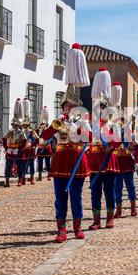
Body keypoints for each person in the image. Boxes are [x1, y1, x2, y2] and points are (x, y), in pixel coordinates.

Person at [41, 43, 91, 243]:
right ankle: (61, 229)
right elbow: (45, 135)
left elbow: (88, 138)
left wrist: (76, 124)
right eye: (65, 106)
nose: (68, 108)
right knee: (60, 198)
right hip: (61, 161)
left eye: (70, 106)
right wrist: (57, 124)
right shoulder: (58, 121)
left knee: (76, 196)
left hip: (78, 162)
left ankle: (77, 227)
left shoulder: (83, 121)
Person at [88, 68, 120, 230]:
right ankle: (96, 220)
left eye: (101, 107)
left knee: (109, 191)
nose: (99, 109)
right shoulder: (91, 125)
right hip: (94, 162)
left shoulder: (111, 123)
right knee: (95, 194)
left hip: (108, 161)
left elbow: (118, 139)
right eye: (97, 107)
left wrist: (110, 148)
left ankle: (110, 219)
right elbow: (86, 140)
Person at [112, 84, 138, 219]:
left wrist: (137, 161)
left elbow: (135, 147)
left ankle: (133, 207)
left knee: (130, 186)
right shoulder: (112, 132)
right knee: (117, 188)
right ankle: (119, 209)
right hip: (116, 163)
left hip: (127, 162)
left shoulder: (129, 133)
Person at [2, 99, 27, 188]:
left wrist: (18, 149)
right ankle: (7, 181)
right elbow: (4, 139)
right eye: (13, 124)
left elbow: (24, 142)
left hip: (18, 151)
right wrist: (6, 148)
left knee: (20, 166)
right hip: (10, 150)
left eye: (15, 124)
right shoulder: (9, 131)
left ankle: (19, 180)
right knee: (8, 167)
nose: (14, 126)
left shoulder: (21, 132)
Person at [21, 98, 39, 186]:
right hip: (24, 150)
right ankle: (23, 178)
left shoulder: (32, 132)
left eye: (25, 125)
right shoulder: (21, 132)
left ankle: (32, 178)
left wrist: (33, 145)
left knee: (31, 165)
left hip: (30, 150)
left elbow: (37, 140)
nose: (24, 126)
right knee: (24, 165)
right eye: (23, 125)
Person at [37, 107, 52, 182]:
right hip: (40, 148)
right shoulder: (38, 131)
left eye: (44, 124)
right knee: (39, 163)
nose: (43, 126)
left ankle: (49, 175)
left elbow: (52, 139)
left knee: (47, 163)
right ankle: (39, 176)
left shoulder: (49, 131)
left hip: (47, 148)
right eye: (42, 124)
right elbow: (36, 139)